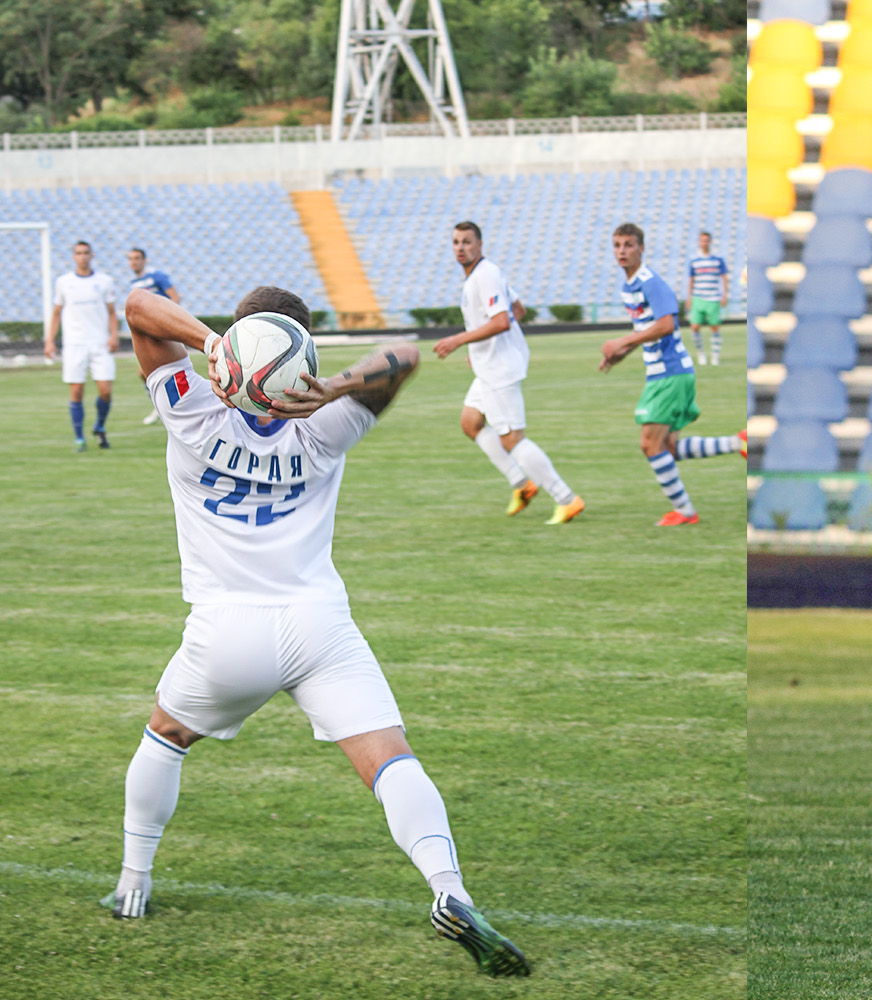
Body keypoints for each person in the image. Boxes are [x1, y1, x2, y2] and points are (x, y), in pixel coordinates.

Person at [107, 286, 530, 977]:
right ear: (303, 352)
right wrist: (331, 385)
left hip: (226, 632)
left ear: (240, 341)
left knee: (166, 737)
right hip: (319, 628)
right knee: (390, 760)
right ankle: (450, 890)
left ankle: (133, 882)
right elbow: (404, 356)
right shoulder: (328, 423)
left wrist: (215, 345)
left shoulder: (188, 408)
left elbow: (138, 306)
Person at [436, 221, 585, 524]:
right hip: (490, 365)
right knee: (470, 422)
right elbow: (518, 309)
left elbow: (502, 321)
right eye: (456, 242)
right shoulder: (481, 274)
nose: (460, 247)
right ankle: (522, 484)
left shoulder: (485, 275)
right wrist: (480, 348)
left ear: (479, 244)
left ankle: (566, 499)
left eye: (466, 241)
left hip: (499, 370)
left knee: (512, 439)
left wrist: (459, 340)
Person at [601, 223, 747, 527]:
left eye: (628, 245)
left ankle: (685, 511)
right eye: (617, 245)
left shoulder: (650, 282)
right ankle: (738, 443)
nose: (622, 251)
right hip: (668, 372)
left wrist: (622, 341)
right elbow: (646, 329)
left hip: (669, 373)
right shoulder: (629, 287)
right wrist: (622, 353)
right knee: (668, 447)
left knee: (649, 445)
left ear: (641, 248)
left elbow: (667, 324)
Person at [43, 241, 119, 451]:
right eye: (78, 253)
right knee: (76, 391)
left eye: (86, 253)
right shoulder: (64, 282)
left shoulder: (104, 281)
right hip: (74, 343)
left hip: (100, 343)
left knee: (105, 391)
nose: (82, 256)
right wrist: (49, 340)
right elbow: (56, 312)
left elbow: (112, 312)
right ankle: (79, 438)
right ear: (74, 256)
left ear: (91, 255)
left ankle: (99, 426)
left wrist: (114, 336)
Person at [128, 247, 181, 426]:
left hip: (161, 330)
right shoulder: (134, 283)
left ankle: (169, 408)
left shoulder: (156, 276)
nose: (134, 262)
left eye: (137, 258)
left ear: (144, 260)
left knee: (164, 371)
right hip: (148, 332)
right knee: (146, 373)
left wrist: (167, 319)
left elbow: (174, 297)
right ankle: (163, 407)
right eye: (131, 259)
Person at [684, 230, 729, 366]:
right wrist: (689, 297)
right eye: (702, 240)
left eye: (706, 240)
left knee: (714, 327)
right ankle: (701, 353)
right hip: (698, 297)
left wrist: (724, 294)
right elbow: (691, 279)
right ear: (699, 242)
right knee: (694, 326)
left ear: (710, 242)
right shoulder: (694, 260)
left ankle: (715, 355)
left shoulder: (717, 259)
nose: (704, 243)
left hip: (713, 297)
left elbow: (724, 278)